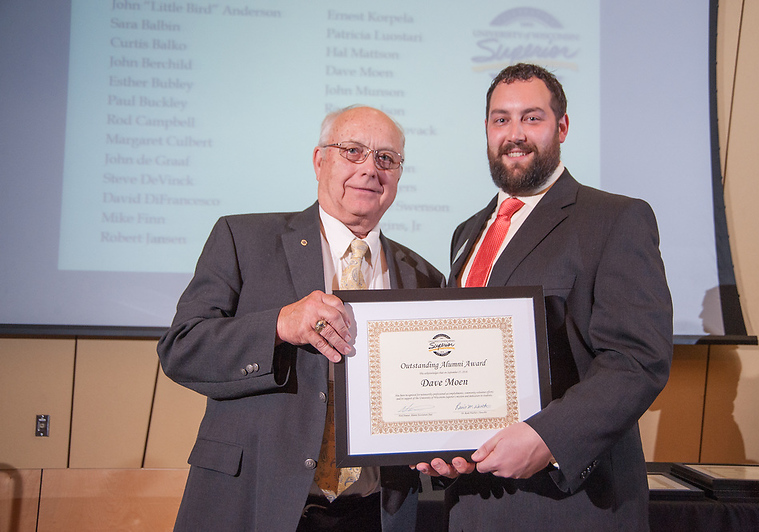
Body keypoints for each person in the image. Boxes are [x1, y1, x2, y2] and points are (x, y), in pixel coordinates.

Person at [158, 105, 445, 531]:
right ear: (319, 160)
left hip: (376, 513)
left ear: (398, 175)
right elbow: (182, 349)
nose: (370, 169)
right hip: (254, 502)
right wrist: (278, 325)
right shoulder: (243, 239)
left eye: (386, 158)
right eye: (352, 151)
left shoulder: (425, 277)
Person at [414, 63, 673, 530]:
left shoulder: (614, 219)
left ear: (562, 126)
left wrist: (547, 437)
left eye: (532, 118)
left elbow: (639, 359)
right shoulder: (467, 233)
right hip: (474, 502)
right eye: (501, 119)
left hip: (571, 504)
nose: (515, 134)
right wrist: (441, 438)